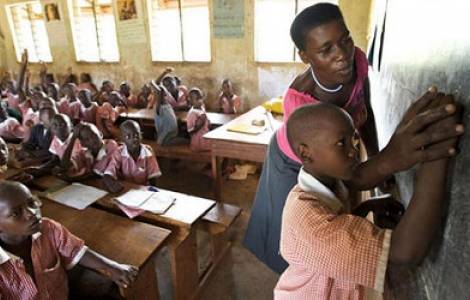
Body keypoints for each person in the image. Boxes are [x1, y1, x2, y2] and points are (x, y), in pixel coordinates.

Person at [243, 3, 466, 274]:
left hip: (324, 151)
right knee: (298, 241)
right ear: (305, 56)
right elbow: (349, 178)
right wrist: (390, 159)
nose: (342, 55)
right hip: (291, 163)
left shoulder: (357, 60)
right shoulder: (302, 106)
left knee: (331, 212)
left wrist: (375, 155)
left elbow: (365, 110)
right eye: (326, 50)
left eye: (345, 40)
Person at [274, 100, 463, 299]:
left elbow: (360, 177)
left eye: (353, 140)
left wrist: (365, 207)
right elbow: (404, 253)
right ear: (305, 152)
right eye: (341, 143)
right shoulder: (309, 221)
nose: (353, 151)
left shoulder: (324, 182)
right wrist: (436, 156)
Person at [0, 181, 138, 299]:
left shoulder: (48, 228)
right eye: (15, 213)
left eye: (31, 203)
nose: (31, 213)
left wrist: (112, 266)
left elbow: (76, 250)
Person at [102, 120, 161, 192]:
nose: (133, 139)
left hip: (142, 189)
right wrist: (110, 182)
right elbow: (109, 172)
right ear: (122, 139)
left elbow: (153, 177)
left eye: (136, 135)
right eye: (128, 136)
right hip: (125, 188)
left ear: (141, 135)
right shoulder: (119, 152)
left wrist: (151, 191)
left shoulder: (147, 152)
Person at [151, 81, 188, 146]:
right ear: (158, 97)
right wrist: (154, 83)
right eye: (162, 95)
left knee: (186, 135)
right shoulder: (159, 108)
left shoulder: (167, 105)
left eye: (165, 94)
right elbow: (158, 90)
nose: (165, 96)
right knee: (187, 142)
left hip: (173, 134)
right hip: (166, 139)